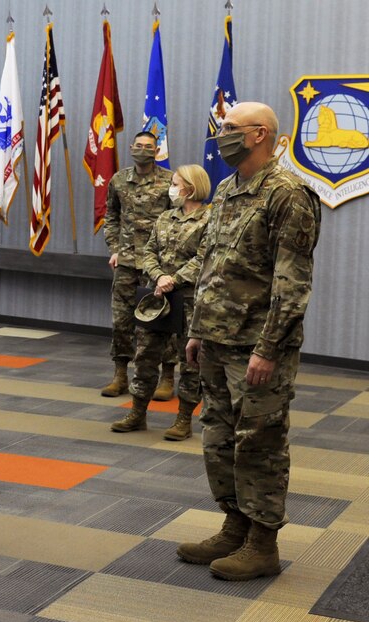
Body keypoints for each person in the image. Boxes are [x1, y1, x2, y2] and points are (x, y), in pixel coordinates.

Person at [177, 102, 321, 581]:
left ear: (260, 134)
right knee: (218, 437)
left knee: (258, 440)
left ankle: (263, 543)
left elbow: (291, 283)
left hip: (257, 348)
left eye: (230, 129)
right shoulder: (226, 188)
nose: (220, 135)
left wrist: (269, 349)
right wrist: (198, 330)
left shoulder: (288, 194)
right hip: (216, 341)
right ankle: (234, 525)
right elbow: (213, 267)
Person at [111, 164, 211, 440]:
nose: (172, 187)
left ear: (190, 188)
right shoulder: (165, 217)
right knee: (145, 355)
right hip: (157, 296)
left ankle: (183, 420)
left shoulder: (210, 220)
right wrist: (158, 277)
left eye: (176, 183)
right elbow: (149, 252)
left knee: (190, 361)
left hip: (190, 299)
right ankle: (137, 413)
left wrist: (174, 280)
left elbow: (204, 259)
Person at [102, 131, 175, 398]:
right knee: (121, 320)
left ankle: (167, 377)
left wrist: (170, 258)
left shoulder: (170, 181)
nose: (143, 150)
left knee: (161, 320)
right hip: (127, 262)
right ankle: (120, 374)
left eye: (149, 147)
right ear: (131, 147)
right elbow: (111, 215)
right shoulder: (119, 180)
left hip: (158, 264)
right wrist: (114, 249)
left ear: (157, 151)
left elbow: (177, 218)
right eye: (139, 146)